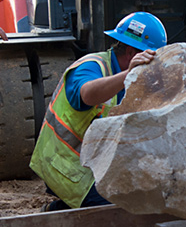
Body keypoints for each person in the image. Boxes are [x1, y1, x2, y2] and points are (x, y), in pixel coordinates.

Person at [30, 12, 167, 211]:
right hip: (65, 166)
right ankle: (57, 211)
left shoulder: (130, 80)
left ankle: (69, 207)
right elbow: (87, 94)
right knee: (122, 208)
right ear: (131, 53)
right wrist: (129, 74)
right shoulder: (92, 66)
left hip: (94, 165)